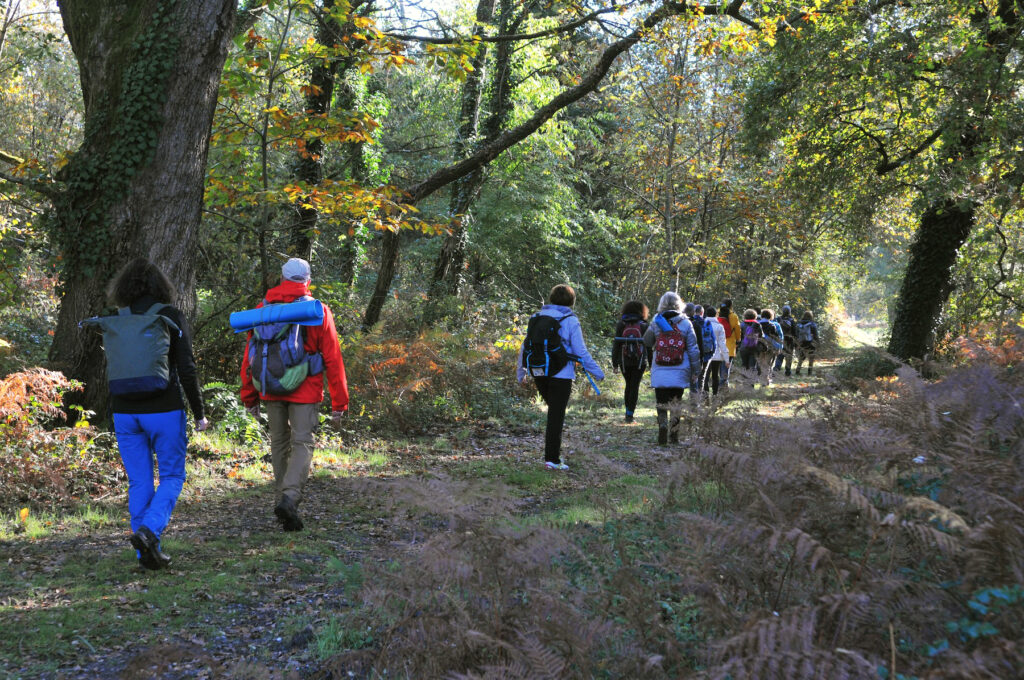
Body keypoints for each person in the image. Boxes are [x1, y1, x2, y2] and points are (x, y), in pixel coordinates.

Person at [105, 258, 210, 570]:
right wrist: (199, 411)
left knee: (139, 482)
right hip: (164, 410)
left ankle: (146, 554)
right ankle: (149, 532)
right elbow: (187, 369)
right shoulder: (170, 316)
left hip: (124, 412)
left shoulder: (117, 319)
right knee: (173, 476)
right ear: (161, 285)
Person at [240, 258, 349, 531]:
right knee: (302, 442)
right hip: (305, 389)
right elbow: (333, 358)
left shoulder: (262, 310)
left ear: (282, 279)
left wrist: (249, 395)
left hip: (270, 387)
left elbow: (250, 357)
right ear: (307, 281)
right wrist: (340, 402)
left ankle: (283, 501)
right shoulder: (316, 310)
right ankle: (289, 499)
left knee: (278, 442)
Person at [518, 284, 605, 470]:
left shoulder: (536, 317)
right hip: (561, 374)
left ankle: (552, 456)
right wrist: (598, 373)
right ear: (571, 301)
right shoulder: (570, 320)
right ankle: (552, 459)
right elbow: (580, 351)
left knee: (553, 414)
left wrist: (521, 372)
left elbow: (525, 346)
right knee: (555, 416)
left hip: (539, 371)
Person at [644, 292, 699, 444]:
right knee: (677, 401)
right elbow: (693, 349)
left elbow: (647, 341)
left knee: (661, 401)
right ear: (679, 304)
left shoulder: (656, 321)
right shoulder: (686, 323)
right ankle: (674, 436)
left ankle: (662, 426)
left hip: (660, 368)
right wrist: (696, 370)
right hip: (680, 368)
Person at [612, 300, 651, 423]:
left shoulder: (621, 324)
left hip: (624, 361)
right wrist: (651, 362)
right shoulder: (644, 325)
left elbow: (616, 345)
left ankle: (627, 412)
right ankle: (630, 414)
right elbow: (649, 346)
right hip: (640, 361)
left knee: (628, 385)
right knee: (635, 385)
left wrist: (615, 363)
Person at [703, 302, 728, 397]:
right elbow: (722, 343)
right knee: (715, 376)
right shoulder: (719, 326)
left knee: (705, 376)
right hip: (717, 355)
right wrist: (726, 358)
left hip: (705, 354)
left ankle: (705, 396)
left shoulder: (703, 325)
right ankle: (715, 395)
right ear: (716, 314)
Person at [758, 309, 784, 387]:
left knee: (762, 363)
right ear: (770, 316)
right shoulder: (774, 325)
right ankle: (765, 380)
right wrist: (779, 347)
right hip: (770, 346)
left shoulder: (757, 324)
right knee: (768, 363)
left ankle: (764, 379)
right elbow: (778, 337)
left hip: (759, 346)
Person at [721, 299, 741, 388]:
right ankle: (724, 385)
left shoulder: (717, 314)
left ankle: (718, 385)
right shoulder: (734, 316)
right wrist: (738, 339)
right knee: (726, 366)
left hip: (718, 345)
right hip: (729, 345)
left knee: (717, 366)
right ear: (730, 306)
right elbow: (737, 330)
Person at [774, 305, 798, 377]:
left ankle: (776, 369)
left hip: (780, 340)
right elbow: (795, 332)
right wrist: (796, 342)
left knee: (779, 356)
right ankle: (787, 372)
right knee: (789, 356)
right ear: (789, 312)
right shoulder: (792, 320)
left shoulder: (778, 319)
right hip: (789, 341)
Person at [794, 310, 820, 375]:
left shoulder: (799, 324)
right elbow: (815, 334)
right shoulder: (812, 324)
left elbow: (796, 334)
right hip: (810, 342)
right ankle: (809, 372)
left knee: (801, 357)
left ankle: (798, 370)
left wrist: (797, 343)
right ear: (811, 316)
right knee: (811, 357)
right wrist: (817, 342)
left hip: (801, 343)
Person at [738, 308, 762, 373]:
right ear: (755, 316)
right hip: (754, 347)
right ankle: (751, 381)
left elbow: (739, 337)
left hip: (744, 347)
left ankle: (744, 380)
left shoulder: (742, 324)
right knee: (752, 366)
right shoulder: (758, 324)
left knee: (744, 365)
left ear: (745, 315)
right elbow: (761, 336)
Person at [717, 305, 734, 389]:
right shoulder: (725, 322)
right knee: (724, 368)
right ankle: (723, 386)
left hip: (715, 348)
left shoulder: (716, 320)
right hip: (725, 347)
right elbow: (728, 334)